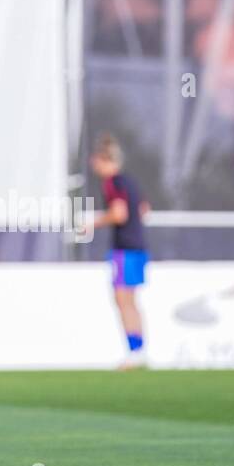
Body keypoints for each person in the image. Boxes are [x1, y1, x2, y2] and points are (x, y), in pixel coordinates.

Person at [83, 134, 150, 368]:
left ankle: (135, 352)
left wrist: (92, 223)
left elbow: (119, 213)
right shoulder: (129, 181)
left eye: (96, 159)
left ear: (104, 159)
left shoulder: (112, 183)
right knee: (131, 300)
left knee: (123, 299)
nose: (93, 165)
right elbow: (143, 209)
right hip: (138, 247)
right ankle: (139, 351)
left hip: (125, 249)